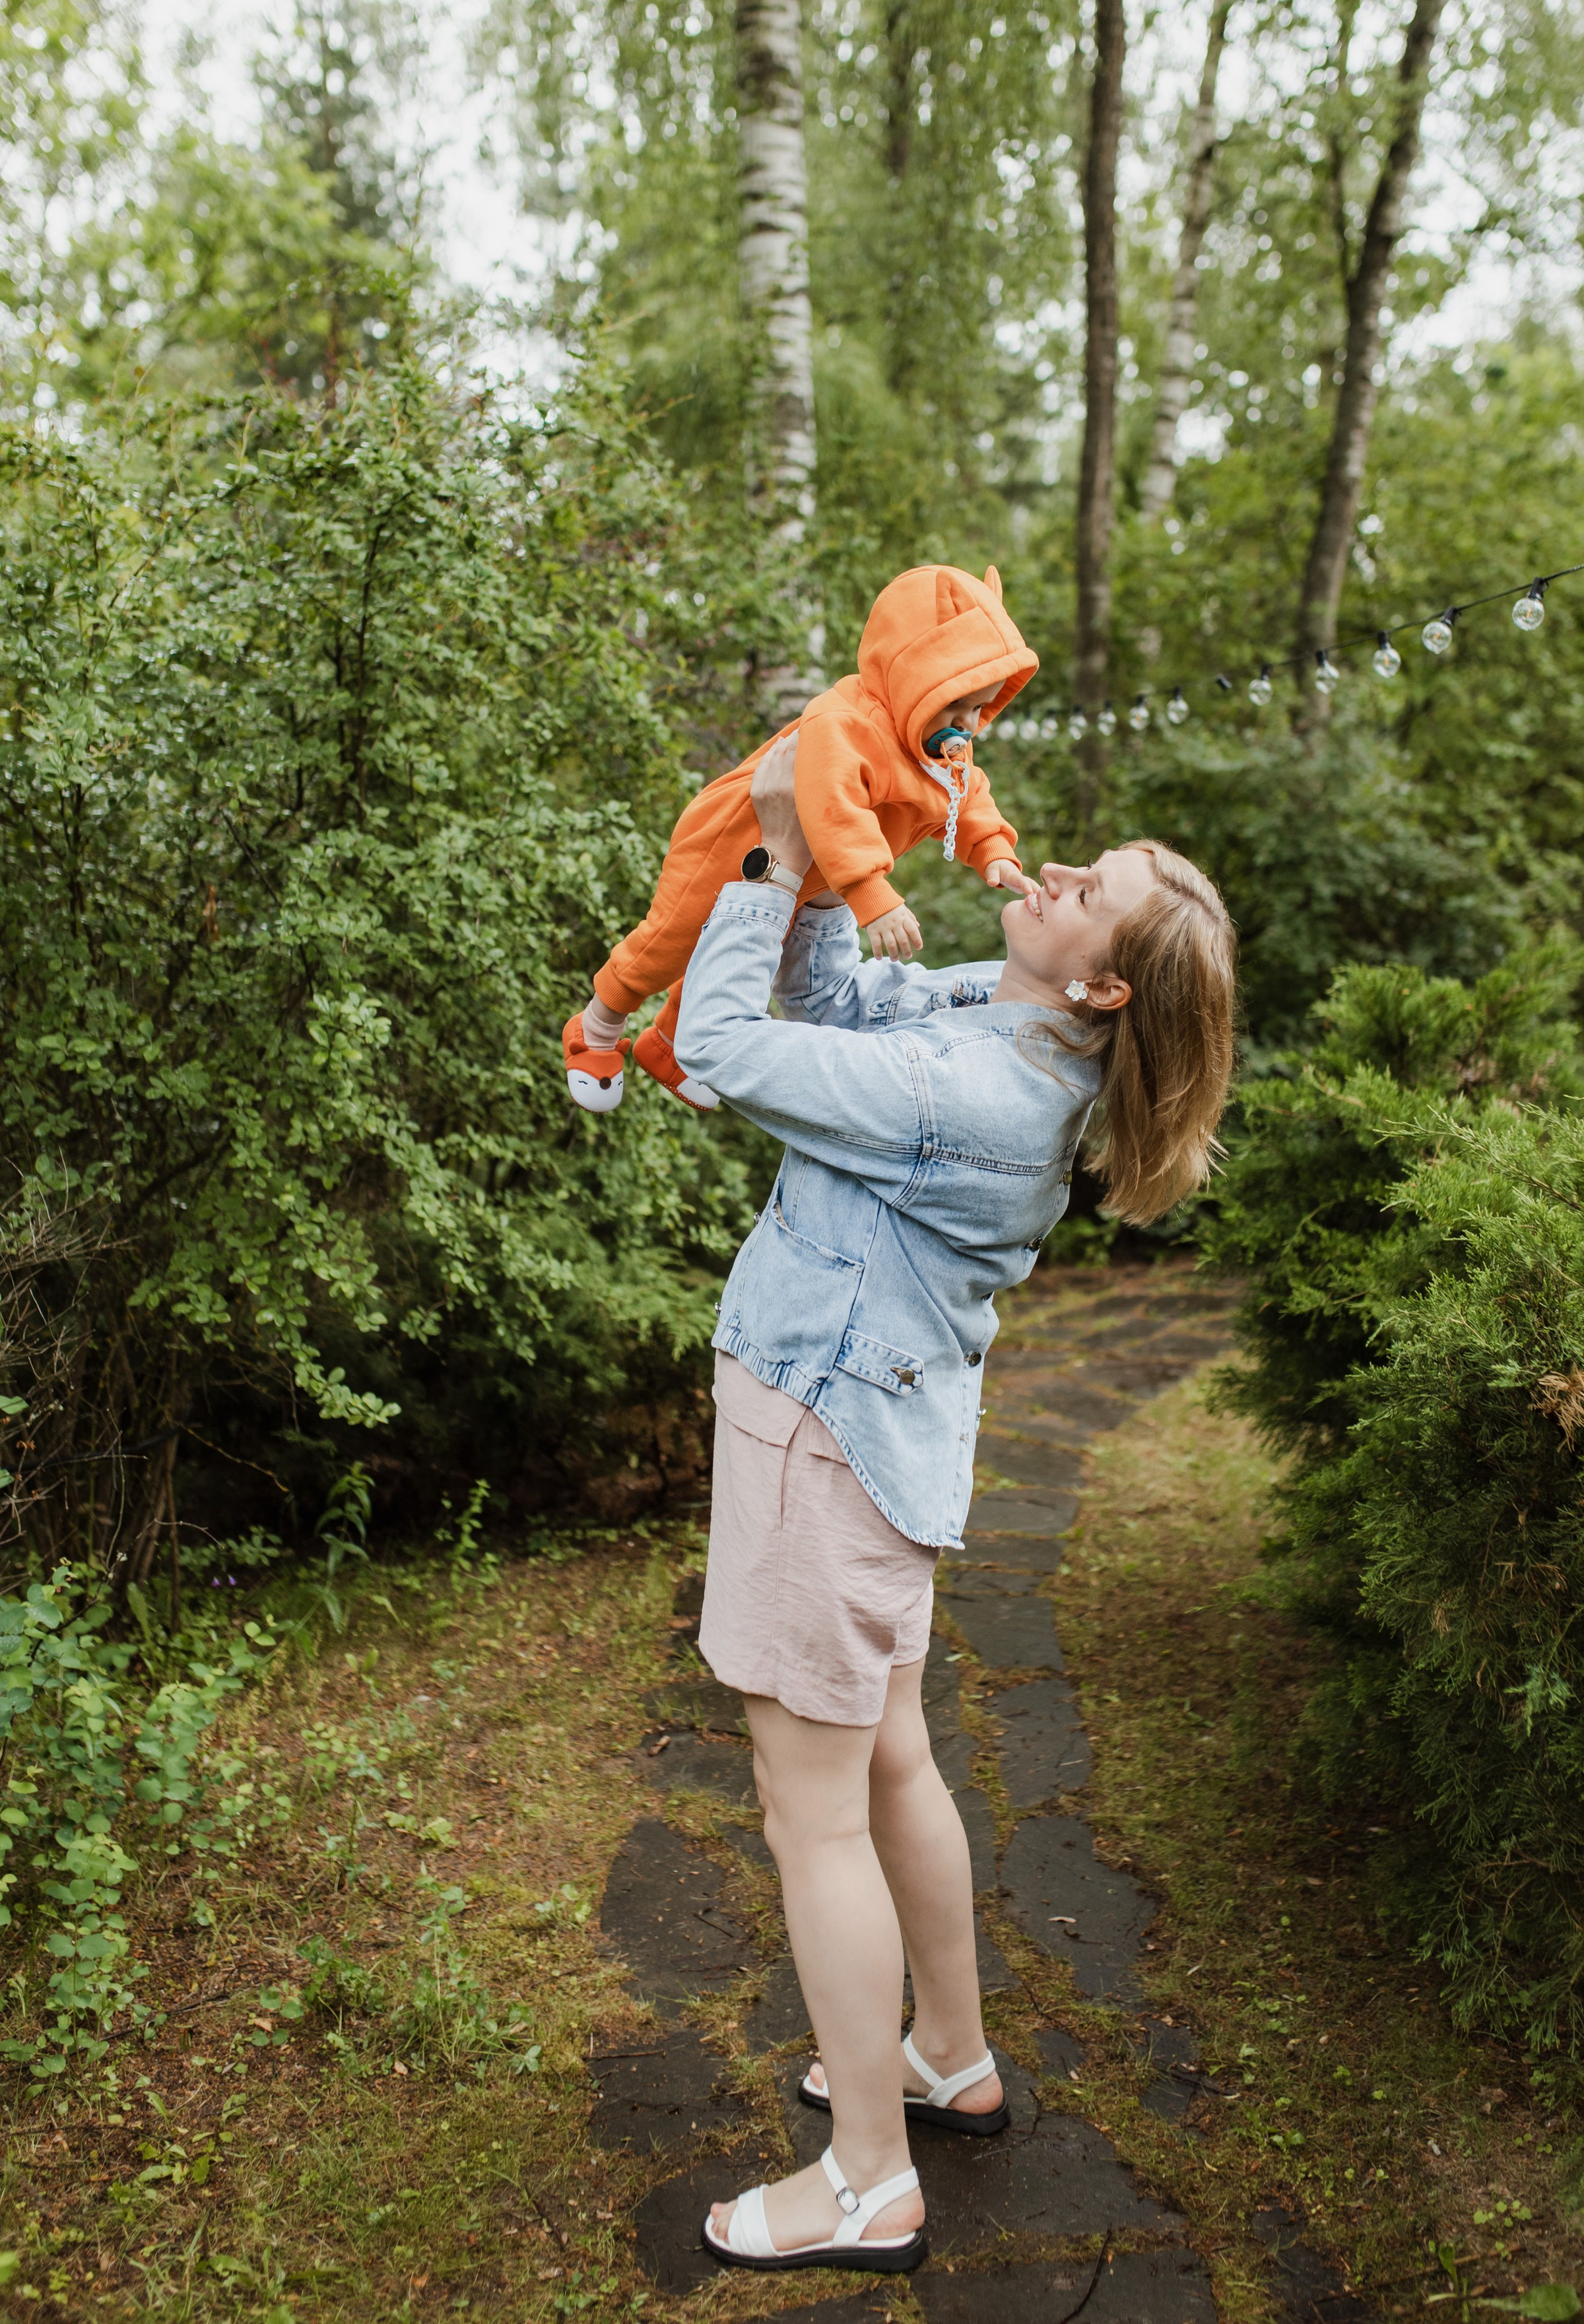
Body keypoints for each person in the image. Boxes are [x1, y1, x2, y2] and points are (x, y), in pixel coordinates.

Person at [673, 728, 1237, 2277]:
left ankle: (864, 2175)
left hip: (823, 1449)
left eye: (1087, 889)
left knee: (809, 1813)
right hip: (879, 1450)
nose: (1051, 869)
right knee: (893, 1757)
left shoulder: (981, 1092)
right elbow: (849, 1001)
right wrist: (843, 856)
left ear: (1104, 984)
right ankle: (943, 2053)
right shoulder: (1009, 1036)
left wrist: (776, 860)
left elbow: (721, 1049)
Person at [560, 563, 1040, 1114]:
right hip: (738, 838)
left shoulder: (940, 749)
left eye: (980, 708)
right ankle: (597, 1025)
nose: (968, 725)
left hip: (806, 872)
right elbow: (832, 804)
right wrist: (871, 895)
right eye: (954, 706)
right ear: (910, 681)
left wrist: (993, 852)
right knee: (674, 938)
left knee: (749, 950)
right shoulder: (844, 724)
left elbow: (971, 796)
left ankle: (669, 1045)